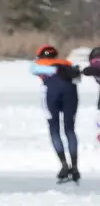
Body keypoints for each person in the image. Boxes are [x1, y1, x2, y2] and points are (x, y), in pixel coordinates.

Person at [31, 44, 80, 183]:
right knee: (70, 130)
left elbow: (33, 69)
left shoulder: (39, 64)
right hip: (71, 94)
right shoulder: (67, 63)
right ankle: (74, 167)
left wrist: (54, 70)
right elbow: (77, 78)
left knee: (54, 129)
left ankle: (64, 165)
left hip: (51, 94)